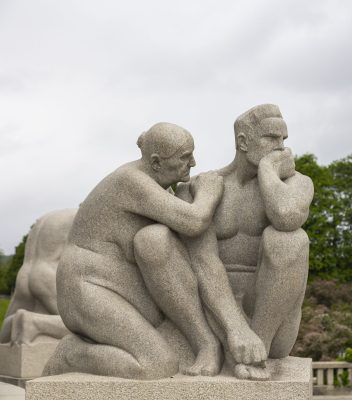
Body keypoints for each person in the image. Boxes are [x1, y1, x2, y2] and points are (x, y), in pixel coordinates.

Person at [139, 104, 314, 380]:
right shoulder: (202, 187)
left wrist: (268, 171)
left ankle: (257, 354)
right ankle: (233, 347)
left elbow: (286, 218)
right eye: (271, 138)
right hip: (212, 315)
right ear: (243, 142)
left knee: (289, 240)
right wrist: (235, 330)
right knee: (151, 238)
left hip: (271, 320)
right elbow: (202, 261)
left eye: (284, 140)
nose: (281, 148)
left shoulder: (297, 184)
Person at [43, 122, 223, 379]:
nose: (193, 163)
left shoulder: (160, 183)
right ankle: (72, 355)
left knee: (157, 240)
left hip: (120, 283)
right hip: (87, 286)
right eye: (185, 157)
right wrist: (210, 192)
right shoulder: (131, 181)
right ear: (156, 162)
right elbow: (192, 221)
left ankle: (205, 344)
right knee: (156, 364)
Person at [0, 209, 75, 345]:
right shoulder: (85, 216)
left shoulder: (50, 218)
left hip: (26, 272)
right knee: (91, 329)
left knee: (9, 326)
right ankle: (34, 322)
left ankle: (25, 321)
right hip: (51, 273)